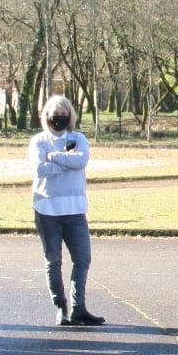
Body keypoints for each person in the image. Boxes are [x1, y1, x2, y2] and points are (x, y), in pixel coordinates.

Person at [31, 95, 104, 328]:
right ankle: (60, 306)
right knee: (53, 260)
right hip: (47, 209)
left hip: (75, 210)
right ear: (46, 116)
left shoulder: (78, 138)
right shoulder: (39, 141)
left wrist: (55, 157)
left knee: (83, 259)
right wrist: (66, 162)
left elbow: (81, 161)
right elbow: (40, 169)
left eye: (64, 113)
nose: (59, 117)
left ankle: (78, 307)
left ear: (70, 115)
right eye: (55, 113)